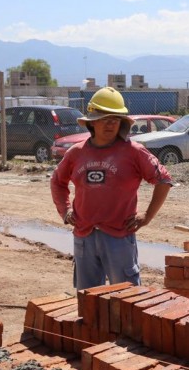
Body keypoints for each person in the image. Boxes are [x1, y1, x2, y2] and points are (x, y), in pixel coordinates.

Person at [50, 87, 173, 290]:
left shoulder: (134, 152)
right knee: (88, 296)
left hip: (119, 236)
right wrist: (65, 211)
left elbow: (164, 180)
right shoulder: (76, 153)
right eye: (104, 119)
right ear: (92, 122)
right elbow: (57, 182)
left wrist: (147, 216)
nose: (110, 124)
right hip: (84, 235)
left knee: (125, 296)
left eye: (115, 120)